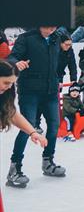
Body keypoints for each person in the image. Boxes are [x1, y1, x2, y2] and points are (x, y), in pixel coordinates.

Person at [1, 60, 50, 188]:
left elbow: (12, 114)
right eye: (6, 82)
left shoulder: (3, 95)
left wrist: (32, 132)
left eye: (12, 84)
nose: (8, 87)